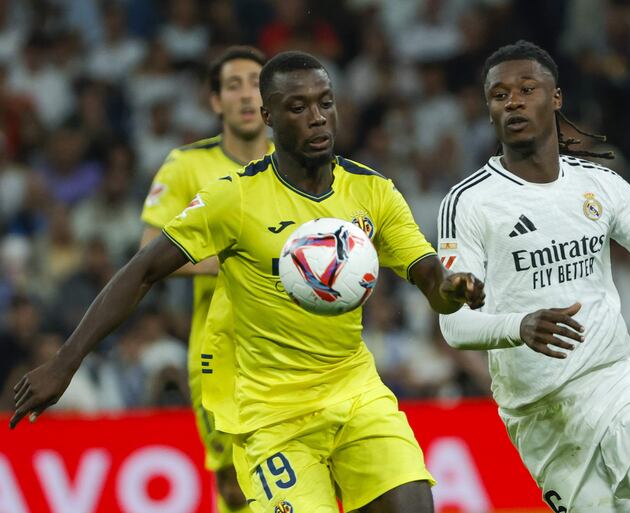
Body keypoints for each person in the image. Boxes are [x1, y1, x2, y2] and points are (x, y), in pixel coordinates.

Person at [11, 51, 485, 513]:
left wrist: (451, 289)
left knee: (413, 503)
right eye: (298, 107)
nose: (317, 117)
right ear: (268, 117)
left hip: (357, 395)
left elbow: (429, 278)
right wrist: (65, 363)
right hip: (272, 418)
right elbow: (142, 271)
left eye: (325, 102)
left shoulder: (373, 191)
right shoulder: (234, 198)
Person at [437, 41, 630, 513]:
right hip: (541, 411)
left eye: (526, 89)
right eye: (500, 95)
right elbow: (454, 325)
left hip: (618, 379)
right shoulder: (470, 203)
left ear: (556, 97)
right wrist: (519, 326)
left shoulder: (599, 183)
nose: (513, 102)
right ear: (489, 109)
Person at [139, 45, 273, 513]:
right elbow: (148, 252)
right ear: (216, 101)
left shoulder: (296, 163)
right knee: (235, 486)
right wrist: (236, 258)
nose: (246, 95)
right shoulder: (187, 165)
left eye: (256, 83)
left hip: (293, 348)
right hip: (221, 353)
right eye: (233, 86)